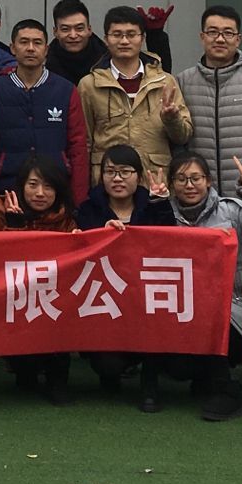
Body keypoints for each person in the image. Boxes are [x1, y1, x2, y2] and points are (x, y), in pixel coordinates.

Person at [139, 152, 242, 420]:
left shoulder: (232, 211)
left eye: (196, 178)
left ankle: (225, 391)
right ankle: (193, 379)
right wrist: (154, 205)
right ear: (172, 184)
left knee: (214, 325)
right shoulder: (163, 213)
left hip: (236, 303)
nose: (189, 185)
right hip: (183, 306)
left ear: (208, 181)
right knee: (177, 365)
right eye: (181, 179)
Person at [75, 144, 171, 396]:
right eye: (110, 172)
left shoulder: (152, 204)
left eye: (125, 172)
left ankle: (150, 384)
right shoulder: (88, 209)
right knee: (107, 364)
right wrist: (100, 234)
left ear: (138, 176)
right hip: (106, 300)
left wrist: (160, 204)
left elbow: (170, 245)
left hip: (145, 297)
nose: (117, 178)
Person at [0, 20, 90, 208]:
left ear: (46, 49)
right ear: (13, 48)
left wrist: (78, 203)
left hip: (55, 191)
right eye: (24, 42)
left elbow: (78, 149)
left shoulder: (66, 90)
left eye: (37, 43)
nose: (30, 48)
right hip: (8, 191)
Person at [0, 154, 78, 405]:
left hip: (55, 297)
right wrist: (14, 227)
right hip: (16, 296)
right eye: (33, 185)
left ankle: (58, 379)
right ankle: (23, 369)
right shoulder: (4, 211)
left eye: (48, 186)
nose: (40, 193)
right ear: (21, 186)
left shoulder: (67, 217)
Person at [79, 5, 193, 186]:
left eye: (131, 34)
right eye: (117, 35)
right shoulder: (89, 85)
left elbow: (184, 136)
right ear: (106, 39)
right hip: (108, 183)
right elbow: (83, 142)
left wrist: (172, 118)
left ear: (142, 38)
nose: (124, 41)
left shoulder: (165, 81)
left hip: (154, 182)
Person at [175, 4, 242, 196]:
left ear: (238, 39)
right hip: (197, 193)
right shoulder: (183, 81)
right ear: (202, 37)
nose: (220, 39)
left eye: (228, 33)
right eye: (212, 32)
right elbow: (177, 140)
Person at [45, 0, 107, 85]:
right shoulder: (44, 64)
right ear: (55, 32)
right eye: (65, 29)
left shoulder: (108, 60)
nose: (73, 35)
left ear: (89, 30)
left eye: (79, 28)